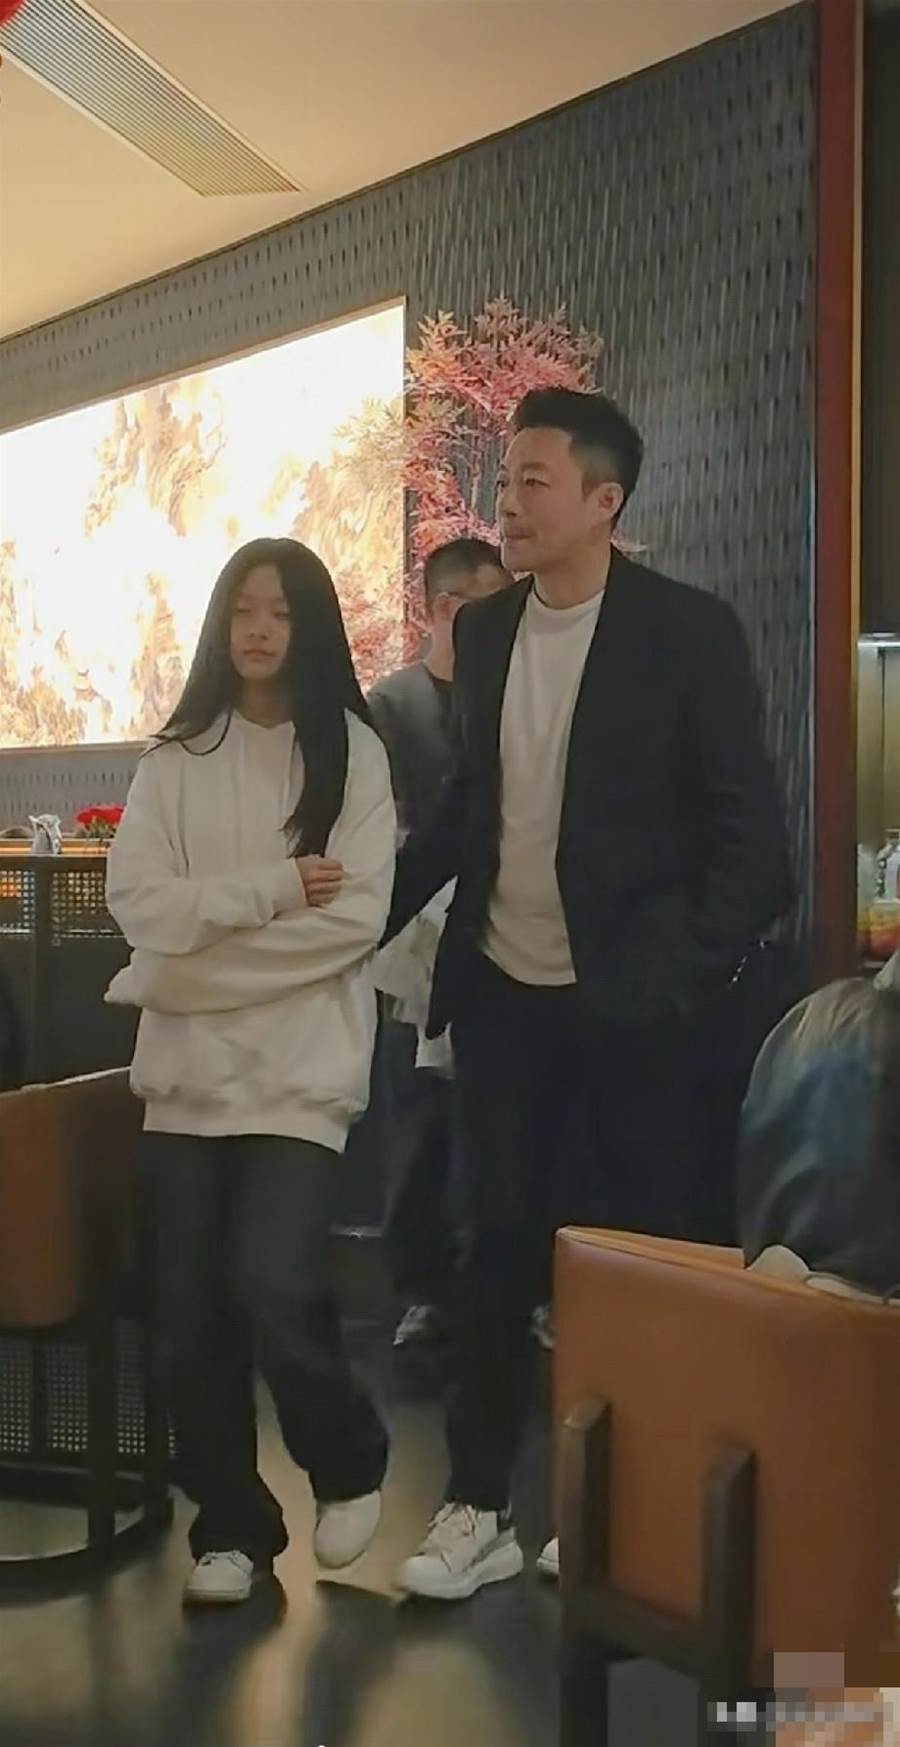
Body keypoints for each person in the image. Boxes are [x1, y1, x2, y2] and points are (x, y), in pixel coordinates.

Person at [385, 387, 793, 1599]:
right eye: (505, 478)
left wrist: (668, 979)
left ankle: (616, 1513)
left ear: (604, 501)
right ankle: (476, 1506)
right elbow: (468, 811)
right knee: (493, 1250)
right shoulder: (489, 633)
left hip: (636, 1007)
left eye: (534, 481)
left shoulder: (686, 632)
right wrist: (361, 911)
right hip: (505, 995)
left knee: (631, 1259)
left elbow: (755, 850)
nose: (507, 502)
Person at [105, 537, 396, 1607]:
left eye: (279, 610)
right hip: (185, 1080)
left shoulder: (352, 755)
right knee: (184, 1314)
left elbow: (352, 923)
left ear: (310, 625)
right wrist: (271, 889)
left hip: (300, 1074)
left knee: (274, 1283)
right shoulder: (175, 759)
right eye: (243, 609)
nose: (259, 629)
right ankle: (231, 1525)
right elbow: (139, 904)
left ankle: (348, 1457)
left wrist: (182, 974)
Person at [368, 538, 511, 1348]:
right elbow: (383, 832)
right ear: (446, 608)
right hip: (414, 947)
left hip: (498, 935)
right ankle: (419, 1290)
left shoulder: (510, 696)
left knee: (492, 1122)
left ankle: (494, 1289)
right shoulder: (392, 705)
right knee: (417, 1119)